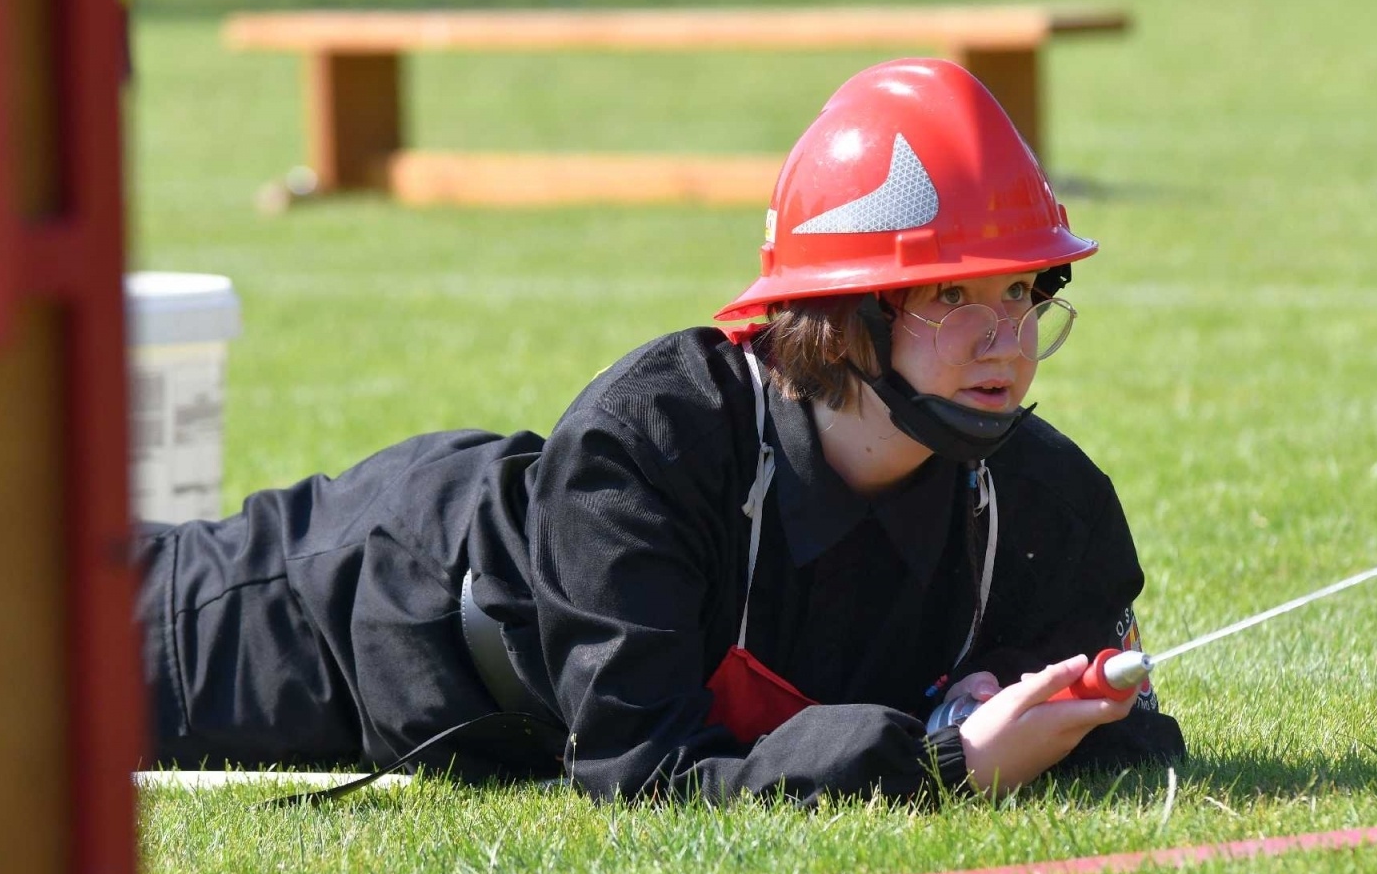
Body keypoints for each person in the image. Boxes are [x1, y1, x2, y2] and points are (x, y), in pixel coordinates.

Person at [135, 57, 1185, 804]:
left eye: (1023, 292)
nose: (1005, 338)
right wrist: (942, 767)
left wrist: (1027, 703)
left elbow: (1129, 730)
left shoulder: (1047, 500)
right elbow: (637, 772)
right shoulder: (650, 446)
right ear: (846, 310)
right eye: (954, 296)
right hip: (329, 614)